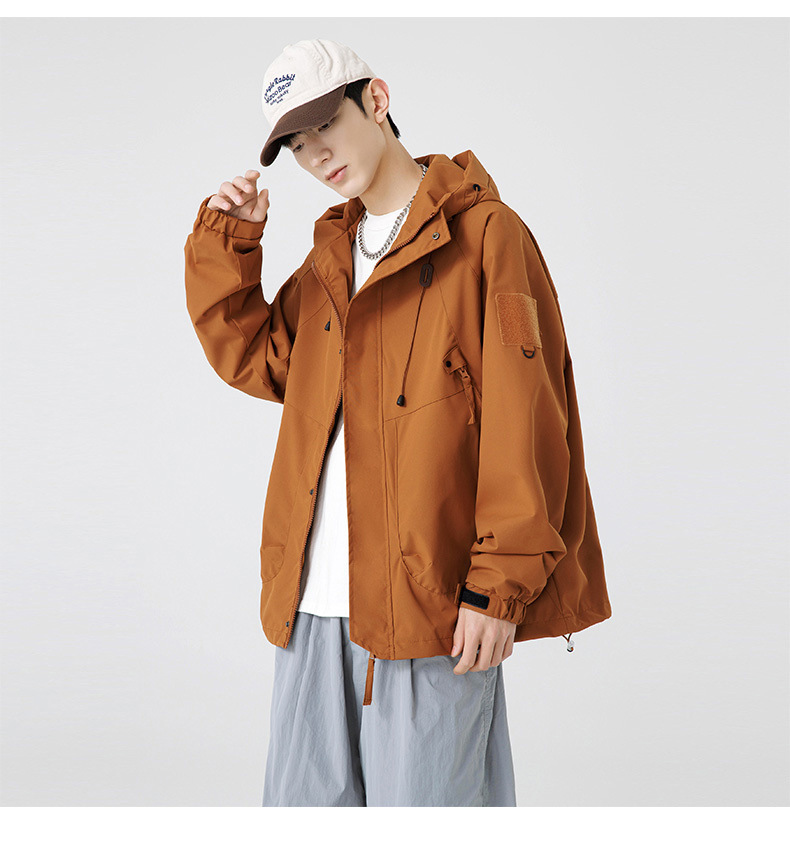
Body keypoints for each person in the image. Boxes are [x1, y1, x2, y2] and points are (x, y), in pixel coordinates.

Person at [183, 38, 612, 807]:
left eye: (326, 125)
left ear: (376, 100)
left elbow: (527, 420)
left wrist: (498, 589)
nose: (316, 154)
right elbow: (261, 360)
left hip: (429, 614)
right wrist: (229, 243)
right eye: (297, 143)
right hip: (310, 613)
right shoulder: (330, 259)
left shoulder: (488, 239)